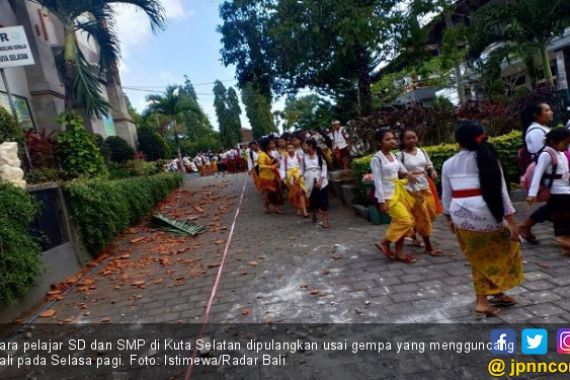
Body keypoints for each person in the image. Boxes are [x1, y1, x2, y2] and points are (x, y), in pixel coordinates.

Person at [442, 121, 523, 317]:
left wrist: (449, 219)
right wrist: (511, 222)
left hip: (460, 215)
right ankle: (482, 301)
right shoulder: (489, 158)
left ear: (458, 141)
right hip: (487, 214)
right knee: (502, 253)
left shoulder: (448, 163)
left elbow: (446, 195)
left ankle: (497, 292)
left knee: (478, 256)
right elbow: (502, 193)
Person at [371, 129, 416, 264]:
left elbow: (401, 170)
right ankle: (385, 242)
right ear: (379, 142)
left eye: (393, 138)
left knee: (400, 222)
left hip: (399, 192)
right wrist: (381, 201)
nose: (392, 141)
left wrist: (409, 175)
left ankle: (399, 253)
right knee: (405, 221)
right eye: (388, 139)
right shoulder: (376, 159)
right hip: (388, 196)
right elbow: (377, 181)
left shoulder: (395, 156)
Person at [398, 129, 443, 256]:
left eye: (414, 137)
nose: (412, 140)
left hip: (426, 186)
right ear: (403, 140)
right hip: (411, 189)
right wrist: (407, 174)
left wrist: (432, 171)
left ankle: (413, 233)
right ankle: (429, 246)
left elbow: (428, 165)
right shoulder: (399, 156)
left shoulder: (422, 151)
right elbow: (397, 172)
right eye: (408, 138)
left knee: (432, 212)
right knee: (424, 216)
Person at [527, 128, 570, 252]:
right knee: (561, 213)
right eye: (564, 143)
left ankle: (526, 226)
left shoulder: (562, 154)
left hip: (565, 187)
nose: (566, 146)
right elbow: (538, 174)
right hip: (556, 190)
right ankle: (563, 238)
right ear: (553, 141)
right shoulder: (546, 154)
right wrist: (532, 194)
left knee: (553, 211)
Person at [518, 102, 554, 243]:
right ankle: (525, 225)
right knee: (558, 204)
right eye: (547, 110)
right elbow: (544, 155)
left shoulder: (540, 129)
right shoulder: (536, 132)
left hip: (552, 173)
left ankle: (526, 226)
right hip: (549, 173)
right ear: (536, 115)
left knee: (557, 204)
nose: (551, 112)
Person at [303, 138, 330, 228]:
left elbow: (324, 168)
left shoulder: (319, 155)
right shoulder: (304, 157)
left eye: (305, 145)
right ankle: (314, 213)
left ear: (310, 146)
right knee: (312, 199)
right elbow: (302, 169)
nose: (304, 147)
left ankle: (325, 221)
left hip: (320, 179)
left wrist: (320, 181)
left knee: (323, 200)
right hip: (309, 179)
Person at [280, 143, 310, 218]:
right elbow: (282, 168)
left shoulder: (299, 156)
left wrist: (303, 175)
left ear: (295, 149)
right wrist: (283, 178)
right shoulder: (285, 157)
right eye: (289, 148)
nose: (291, 149)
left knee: (301, 192)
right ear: (286, 150)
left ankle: (304, 210)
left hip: (299, 176)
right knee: (295, 193)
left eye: (292, 148)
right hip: (290, 177)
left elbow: (303, 166)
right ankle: (300, 208)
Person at [257, 138, 284, 214]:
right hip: (265, 177)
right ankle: (266, 206)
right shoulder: (262, 154)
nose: (273, 144)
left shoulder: (273, 152)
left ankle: (276, 207)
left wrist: (277, 164)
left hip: (273, 175)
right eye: (271, 143)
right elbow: (261, 166)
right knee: (268, 193)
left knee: (276, 192)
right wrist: (271, 167)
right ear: (267, 145)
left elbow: (277, 161)